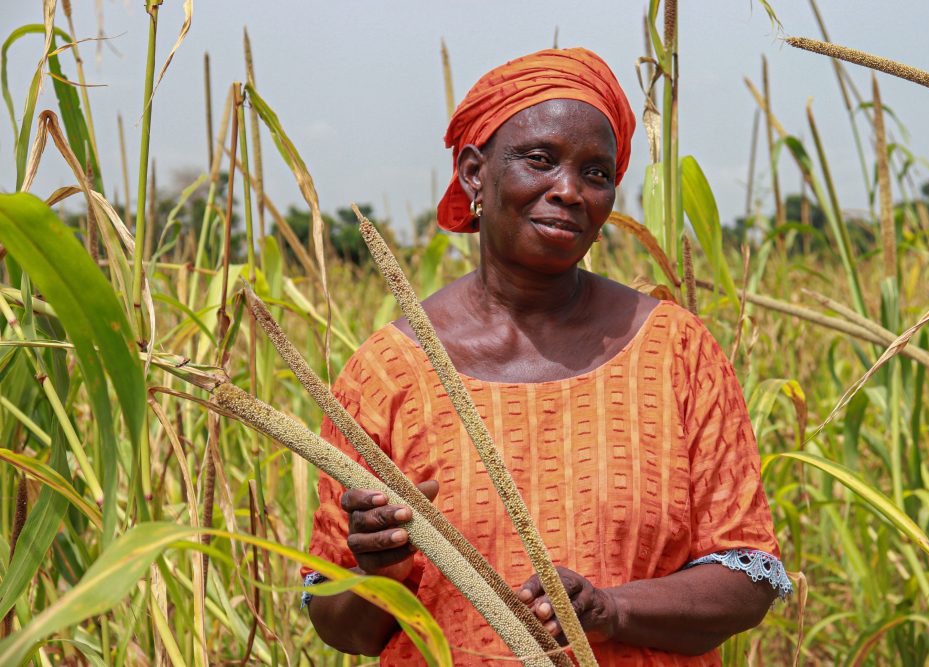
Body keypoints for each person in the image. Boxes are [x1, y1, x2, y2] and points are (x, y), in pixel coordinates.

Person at [302, 47, 791, 666]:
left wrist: (609, 611)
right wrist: (381, 568)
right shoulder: (389, 373)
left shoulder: (676, 351)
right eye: (540, 161)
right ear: (475, 173)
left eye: (596, 172)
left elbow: (746, 578)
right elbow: (340, 625)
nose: (569, 191)